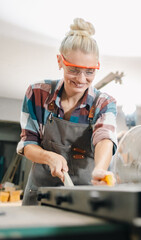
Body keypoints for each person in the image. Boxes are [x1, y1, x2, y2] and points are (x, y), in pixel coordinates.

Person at [17, 18, 117, 205]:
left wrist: (100, 170)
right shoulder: (37, 93)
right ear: (60, 61)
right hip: (40, 195)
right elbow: (28, 143)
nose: (81, 79)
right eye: (74, 70)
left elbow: (104, 137)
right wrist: (49, 156)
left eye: (89, 72)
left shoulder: (104, 102)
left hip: (83, 197)